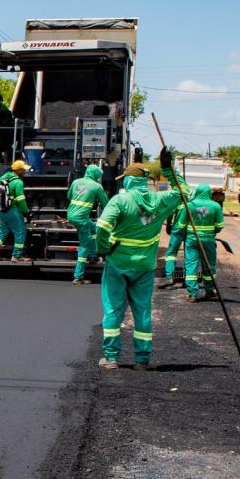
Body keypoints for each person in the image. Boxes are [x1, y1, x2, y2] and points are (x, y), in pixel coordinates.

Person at [93, 146, 185, 371]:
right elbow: (184, 192)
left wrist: (103, 248)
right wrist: (169, 169)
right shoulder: (161, 200)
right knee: (142, 312)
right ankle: (142, 360)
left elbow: (103, 226)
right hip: (145, 266)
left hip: (118, 263)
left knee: (114, 310)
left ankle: (112, 358)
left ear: (130, 181)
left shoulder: (119, 201)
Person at [180, 183, 224, 302]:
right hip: (208, 241)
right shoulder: (215, 206)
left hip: (192, 240)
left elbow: (181, 224)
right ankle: (209, 291)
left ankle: (193, 294)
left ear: (197, 192)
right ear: (209, 193)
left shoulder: (190, 205)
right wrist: (213, 231)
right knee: (209, 266)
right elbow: (220, 225)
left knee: (191, 265)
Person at [67, 165, 107, 284]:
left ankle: (93, 255)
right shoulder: (96, 186)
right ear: (95, 175)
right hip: (81, 219)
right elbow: (106, 204)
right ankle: (78, 277)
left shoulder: (76, 182)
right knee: (84, 245)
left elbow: (69, 196)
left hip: (71, 215)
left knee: (94, 228)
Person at [0, 159, 30, 261]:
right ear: (18, 170)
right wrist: (26, 212)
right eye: (23, 170)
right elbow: (21, 200)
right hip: (13, 210)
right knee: (20, 232)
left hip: (2, 210)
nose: (24, 171)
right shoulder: (18, 182)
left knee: (2, 231)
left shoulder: (5, 177)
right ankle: (17, 256)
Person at [159, 214, 186, 290]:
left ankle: (170, 278)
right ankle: (189, 280)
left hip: (178, 228)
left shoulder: (177, 201)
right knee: (189, 255)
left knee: (171, 254)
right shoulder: (194, 202)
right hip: (191, 229)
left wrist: (169, 224)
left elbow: (171, 213)